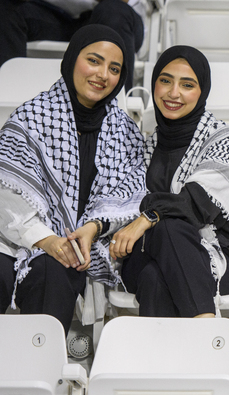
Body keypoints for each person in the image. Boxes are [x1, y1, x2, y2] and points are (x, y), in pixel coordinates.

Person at [0, 25, 146, 333]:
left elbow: (131, 195)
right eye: (93, 60)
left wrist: (91, 229)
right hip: (16, 237)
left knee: (54, 270)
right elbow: (6, 191)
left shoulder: (124, 132)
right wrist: (47, 239)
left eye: (114, 68)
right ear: (71, 60)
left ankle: (40, 372)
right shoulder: (29, 118)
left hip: (87, 246)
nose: (102, 74)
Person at [111, 45, 229, 318]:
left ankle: (169, 354)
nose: (173, 93)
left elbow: (197, 202)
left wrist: (148, 217)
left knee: (156, 270)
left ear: (202, 91)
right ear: (154, 84)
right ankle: (206, 338)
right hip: (146, 251)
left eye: (187, 84)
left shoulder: (222, 138)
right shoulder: (144, 145)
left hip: (220, 257)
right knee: (162, 241)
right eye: (165, 81)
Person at [0, 0, 147, 91]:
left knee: (114, 11)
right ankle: (11, 100)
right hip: (54, 13)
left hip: (114, 14)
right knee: (5, 8)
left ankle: (115, 117)